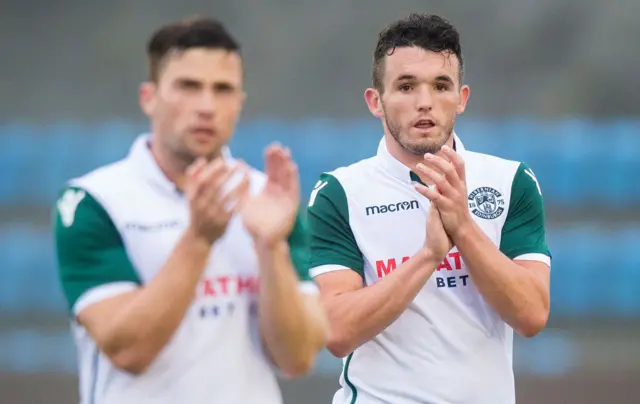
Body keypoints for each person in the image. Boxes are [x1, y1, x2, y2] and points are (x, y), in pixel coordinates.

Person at [53, 17, 327, 404]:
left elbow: (297, 358)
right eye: (188, 86)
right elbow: (129, 351)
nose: (206, 106)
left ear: (239, 103)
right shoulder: (94, 200)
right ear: (149, 97)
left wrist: (271, 247)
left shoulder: (269, 199)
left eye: (223, 89)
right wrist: (199, 239)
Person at [306, 13, 551, 404]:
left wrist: (465, 230)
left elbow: (532, 315)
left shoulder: (509, 181)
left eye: (441, 85)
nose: (425, 103)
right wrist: (429, 256)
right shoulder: (339, 192)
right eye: (405, 86)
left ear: (462, 98)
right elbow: (336, 332)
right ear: (375, 101)